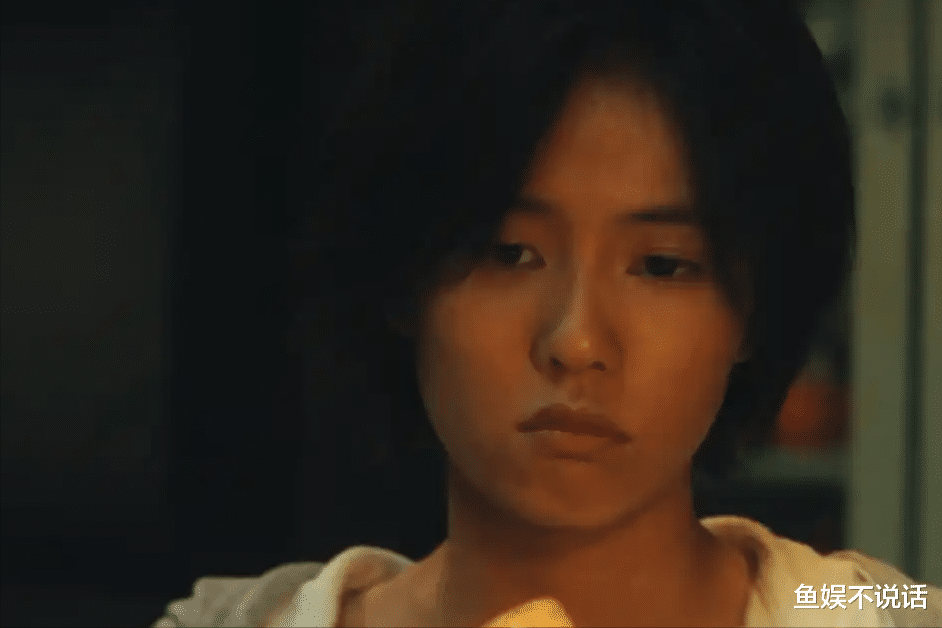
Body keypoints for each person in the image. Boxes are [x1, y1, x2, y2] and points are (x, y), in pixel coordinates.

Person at [152, 1, 941, 626]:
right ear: (404, 278)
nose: (577, 340)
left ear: (754, 311)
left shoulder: (857, 608)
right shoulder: (256, 621)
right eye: (508, 253)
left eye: (662, 265)